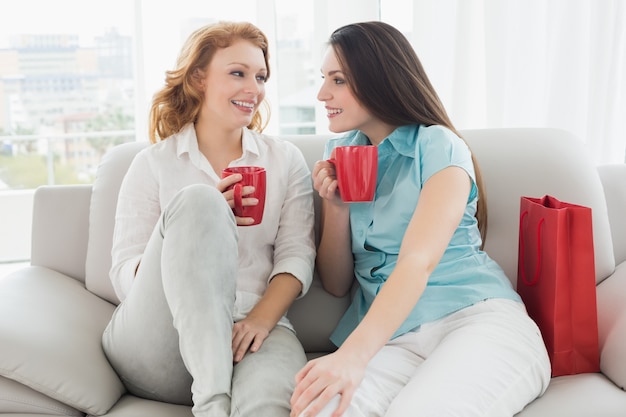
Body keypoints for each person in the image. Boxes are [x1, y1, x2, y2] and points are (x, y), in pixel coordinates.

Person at [290, 21, 551, 417]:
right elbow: (340, 282)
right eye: (324, 79)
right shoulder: (341, 151)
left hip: (475, 319)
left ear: (379, 79)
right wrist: (337, 206)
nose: (323, 94)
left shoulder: (439, 145)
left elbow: (417, 260)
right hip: (395, 340)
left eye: (338, 80)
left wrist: (353, 357)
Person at [101, 21, 316, 417]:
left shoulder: (284, 160)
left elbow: (296, 256)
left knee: (269, 405)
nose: (254, 88)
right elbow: (125, 277)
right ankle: (213, 405)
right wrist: (196, 228)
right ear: (199, 78)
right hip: (161, 336)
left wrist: (260, 321)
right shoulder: (152, 164)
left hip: (252, 324)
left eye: (261, 76)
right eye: (238, 73)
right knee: (200, 203)